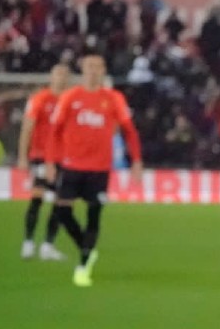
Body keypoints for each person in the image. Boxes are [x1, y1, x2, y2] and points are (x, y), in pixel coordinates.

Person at [48, 53, 143, 288]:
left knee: (94, 215)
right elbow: (54, 131)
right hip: (72, 165)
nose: (93, 71)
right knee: (62, 212)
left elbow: (130, 131)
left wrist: (137, 161)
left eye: (98, 67)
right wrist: (51, 161)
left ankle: (83, 266)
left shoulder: (113, 99)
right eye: (89, 67)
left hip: (99, 169)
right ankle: (86, 247)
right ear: (83, 70)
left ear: (103, 71)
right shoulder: (70, 97)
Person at [16, 63, 71, 261]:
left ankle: (48, 246)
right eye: (58, 74)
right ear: (51, 77)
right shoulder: (40, 98)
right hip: (40, 155)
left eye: (65, 75)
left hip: (63, 158)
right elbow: (27, 128)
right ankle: (28, 242)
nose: (61, 78)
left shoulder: (70, 100)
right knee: (37, 197)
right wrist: (22, 156)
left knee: (60, 201)